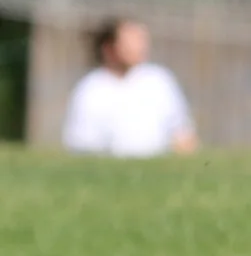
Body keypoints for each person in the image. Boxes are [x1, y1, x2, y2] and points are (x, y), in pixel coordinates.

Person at [61, 18, 197, 158]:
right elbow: (82, 144)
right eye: (130, 42)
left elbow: (183, 134)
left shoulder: (159, 80)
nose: (139, 47)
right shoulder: (91, 89)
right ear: (109, 48)